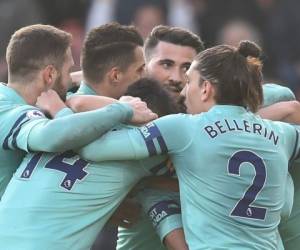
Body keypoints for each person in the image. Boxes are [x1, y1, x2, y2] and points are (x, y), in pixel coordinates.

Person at [77, 41, 300, 249]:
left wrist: (117, 108)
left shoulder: (183, 129)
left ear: (206, 88)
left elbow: (93, 149)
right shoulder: (283, 134)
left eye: (189, 82)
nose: (183, 93)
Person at [0, 78, 181, 250]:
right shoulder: (144, 150)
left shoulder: (57, 123)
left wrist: (60, 107)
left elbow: (76, 103)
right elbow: (91, 150)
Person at [0, 24, 155, 198]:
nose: (70, 79)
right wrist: (124, 109)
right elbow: (54, 136)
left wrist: (73, 80)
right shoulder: (12, 113)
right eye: (68, 71)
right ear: (49, 75)